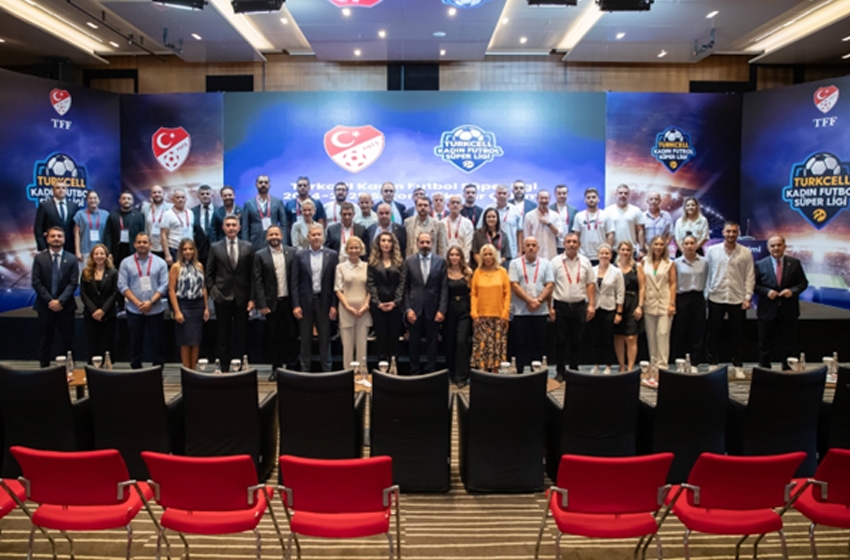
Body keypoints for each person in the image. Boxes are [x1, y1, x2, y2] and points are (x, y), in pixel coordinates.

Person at [705, 221, 754, 379]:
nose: (731, 234)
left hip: (737, 297)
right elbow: (707, 273)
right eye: (728, 231)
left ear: (738, 233)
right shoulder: (712, 251)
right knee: (714, 333)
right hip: (716, 296)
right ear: (723, 233)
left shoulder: (745, 252)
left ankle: (738, 365)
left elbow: (749, 276)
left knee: (737, 334)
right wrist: (706, 294)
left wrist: (747, 297)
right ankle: (713, 362)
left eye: (734, 231)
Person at [206, 215, 255, 372]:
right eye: (228, 225)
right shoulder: (215, 247)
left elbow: (253, 275)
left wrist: (252, 298)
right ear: (223, 228)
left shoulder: (248, 247)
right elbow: (209, 274)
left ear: (239, 228)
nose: (231, 228)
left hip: (242, 296)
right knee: (223, 334)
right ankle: (224, 366)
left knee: (241, 334)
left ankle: (239, 366)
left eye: (234, 225)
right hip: (222, 296)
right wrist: (214, 293)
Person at [754, 235, 808, 370]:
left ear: (784, 246)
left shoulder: (794, 263)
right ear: (768, 248)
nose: (776, 248)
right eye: (772, 246)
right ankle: (764, 368)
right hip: (767, 309)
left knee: (789, 342)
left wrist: (792, 291)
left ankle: (788, 368)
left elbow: (803, 283)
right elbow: (754, 285)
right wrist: (766, 292)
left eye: (779, 245)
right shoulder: (760, 264)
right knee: (764, 342)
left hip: (788, 310)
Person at [253, 225, 297, 379]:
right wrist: (262, 304)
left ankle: (291, 367)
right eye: (271, 234)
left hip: (289, 301)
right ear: (267, 237)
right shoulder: (260, 255)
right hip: (271, 303)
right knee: (273, 337)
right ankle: (276, 368)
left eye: (276, 234)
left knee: (291, 335)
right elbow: (257, 281)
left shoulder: (292, 252)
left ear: (282, 236)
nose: (274, 237)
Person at [118, 233, 168, 369]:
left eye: (145, 242)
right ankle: (136, 372)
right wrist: (137, 303)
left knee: (158, 344)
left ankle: (157, 372)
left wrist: (150, 302)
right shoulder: (126, 263)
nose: (142, 245)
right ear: (134, 244)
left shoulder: (160, 262)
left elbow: (164, 285)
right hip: (134, 310)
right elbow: (122, 285)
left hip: (155, 309)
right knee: (135, 344)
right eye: (139, 242)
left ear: (150, 244)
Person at [292, 224, 338, 372]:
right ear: (308, 237)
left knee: (325, 340)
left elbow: (335, 283)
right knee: (305, 340)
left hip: (324, 303)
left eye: (319, 234)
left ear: (323, 236)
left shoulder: (332, 255)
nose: (316, 237)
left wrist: (334, 305)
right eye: (313, 235)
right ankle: (304, 372)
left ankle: (327, 373)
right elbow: (294, 282)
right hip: (305, 303)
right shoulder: (300, 255)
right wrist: (296, 305)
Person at [550, 233, 596, 379]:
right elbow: (550, 285)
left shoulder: (585, 262)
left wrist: (591, 305)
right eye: (568, 241)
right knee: (560, 341)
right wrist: (550, 307)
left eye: (574, 242)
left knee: (577, 340)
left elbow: (590, 284)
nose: (571, 244)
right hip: (561, 306)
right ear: (564, 244)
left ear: (579, 244)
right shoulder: (555, 262)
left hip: (579, 306)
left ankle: (574, 370)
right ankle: (560, 371)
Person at [31, 227, 79, 367]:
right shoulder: (39, 258)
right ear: (47, 239)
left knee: (68, 340)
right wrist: (50, 301)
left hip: (66, 306)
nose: (56, 238)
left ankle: (70, 368)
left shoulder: (72, 259)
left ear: (64, 239)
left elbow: (73, 282)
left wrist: (60, 301)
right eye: (53, 236)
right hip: (45, 306)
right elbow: (36, 282)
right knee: (45, 340)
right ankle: (44, 368)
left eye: (59, 236)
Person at [403, 232, 448, 375]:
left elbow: (444, 288)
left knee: (432, 343)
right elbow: (405, 288)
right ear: (417, 243)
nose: (425, 245)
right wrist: (408, 309)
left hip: (433, 309)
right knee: (414, 343)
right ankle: (414, 371)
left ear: (432, 243)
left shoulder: (440, 262)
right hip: (414, 309)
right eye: (422, 242)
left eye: (428, 242)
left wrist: (442, 310)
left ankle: (430, 372)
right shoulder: (409, 261)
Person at [509, 237, 555, 375]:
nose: (530, 247)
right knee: (520, 343)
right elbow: (514, 285)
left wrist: (538, 301)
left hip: (540, 311)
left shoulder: (546, 264)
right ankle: (520, 373)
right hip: (520, 311)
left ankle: (536, 375)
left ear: (538, 248)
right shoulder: (515, 263)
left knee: (538, 344)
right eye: (528, 245)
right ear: (523, 247)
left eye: (533, 245)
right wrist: (530, 301)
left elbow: (550, 284)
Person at [168, 238, 209, 370]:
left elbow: (203, 288)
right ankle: (186, 371)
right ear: (180, 251)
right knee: (185, 341)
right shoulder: (176, 267)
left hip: (197, 306)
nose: (188, 251)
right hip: (183, 305)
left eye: (190, 249)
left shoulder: (199, 266)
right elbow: (171, 290)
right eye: (185, 249)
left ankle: (194, 370)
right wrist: (177, 311)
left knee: (196, 340)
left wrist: (206, 308)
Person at [470, 244, 511, 372]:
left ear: (495, 256)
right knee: (482, 350)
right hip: (481, 318)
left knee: (496, 350)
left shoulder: (502, 272)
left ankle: (495, 376)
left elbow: (507, 294)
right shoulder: (477, 273)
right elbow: (474, 294)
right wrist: (474, 314)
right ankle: (483, 377)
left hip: (498, 318)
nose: (488, 257)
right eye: (485, 255)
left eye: (490, 254)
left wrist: (504, 314)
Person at [367, 232, 405, 367]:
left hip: (395, 307)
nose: (386, 243)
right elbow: (371, 284)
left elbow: (402, 284)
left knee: (394, 339)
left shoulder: (400, 262)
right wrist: (378, 303)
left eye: (389, 241)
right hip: (378, 307)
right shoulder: (372, 263)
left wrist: (395, 302)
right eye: (383, 240)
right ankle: (382, 368)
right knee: (381, 339)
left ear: (393, 244)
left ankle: (394, 368)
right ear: (378, 243)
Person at [642, 235, 677, 376]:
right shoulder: (644, 262)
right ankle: (653, 366)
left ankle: (662, 367)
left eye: (661, 244)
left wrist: (672, 303)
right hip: (649, 302)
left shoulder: (669, 263)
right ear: (651, 246)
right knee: (651, 336)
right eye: (656, 244)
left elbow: (673, 284)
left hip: (664, 303)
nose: (658, 247)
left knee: (662, 334)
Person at [335, 237, 371, 370]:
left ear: (361, 250)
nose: (354, 250)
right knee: (347, 348)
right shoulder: (340, 267)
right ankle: (347, 375)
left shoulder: (367, 266)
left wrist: (366, 306)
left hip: (364, 311)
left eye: (357, 248)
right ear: (346, 250)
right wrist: (348, 307)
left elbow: (371, 289)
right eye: (351, 248)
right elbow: (338, 289)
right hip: (346, 311)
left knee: (362, 347)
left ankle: (362, 374)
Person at [80, 244, 118, 364]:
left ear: (106, 256)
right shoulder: (86, 272)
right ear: (92, 256)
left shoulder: (113, 273)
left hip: (108, 314)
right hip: (91, 314)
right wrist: (94, 310)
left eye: (102, 254)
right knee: (92, 343)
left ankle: (107, 368)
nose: (99, 256)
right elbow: (83, 293)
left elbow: (115, 293)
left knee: (107, 343)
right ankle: (92, 368)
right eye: (96, 254)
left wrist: (103, 310)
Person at [672, 235, 708, 365]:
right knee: (680, 331)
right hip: (682, 298)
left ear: (696, 245)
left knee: (697, 331)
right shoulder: (676, 263)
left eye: (692, 243)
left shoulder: (704, 262)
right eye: (686, 243)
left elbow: (708, 279)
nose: (689, 246)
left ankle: (694, 362)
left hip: (698, 298)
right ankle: (680, 361)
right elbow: (673, 283)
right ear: (682, 245)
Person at [589, 244, 624, 374]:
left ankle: (608, 365)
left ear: (611, 255)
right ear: (598, 255)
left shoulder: (616, 272)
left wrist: (619, 312)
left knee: (608, 339)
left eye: (607, 253)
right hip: (594, 308)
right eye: (602, 253)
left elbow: (620, 292)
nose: (604, 256)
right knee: (595, 338)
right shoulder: (591, 270)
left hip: (609, 308)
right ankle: (596, 365)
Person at [443, 245, 472, 387]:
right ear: (448, 257)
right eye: (452, 255)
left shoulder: (468, 272)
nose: (454, 257)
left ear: (461, 257)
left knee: (462, 341)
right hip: (449, 309)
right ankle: (452, 373)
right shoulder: (444, 272)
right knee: (450, 342)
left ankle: (462, 376)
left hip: (464, 310)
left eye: (457, 255)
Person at [614, 240, 645, 373]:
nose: (625, 252)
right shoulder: (613, 267)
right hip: (617, 304)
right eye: (623, 249)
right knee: (619, 337)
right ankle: (621, 366)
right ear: (618, 251)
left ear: (632, 251)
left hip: (633, 302)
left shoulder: (637, 267)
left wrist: (640, 306)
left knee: (631, 337)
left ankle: (631, 368)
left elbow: (642, 287)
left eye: (628, 250)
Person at [479, 184, 523, 261]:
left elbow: (520, 232)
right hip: (490, 252)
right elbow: (480, 229)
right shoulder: (488, 209)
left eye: (504, 193)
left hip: (511, 252)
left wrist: (520, 251)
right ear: (495, 195)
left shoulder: (515, 210)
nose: (502, 195)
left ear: (509, 195)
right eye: (499, 193)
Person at [242, 175, 287, 250]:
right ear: (256, 185)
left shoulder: (278, 202)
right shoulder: (248, 204)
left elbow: (284, 224)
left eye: (266, 182)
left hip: (274, 239)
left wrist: (284, 242)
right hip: (255, 241)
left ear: (269, 185)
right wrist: (245, 244)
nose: (263, 184)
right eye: (261, 182)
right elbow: (245, 227)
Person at [572, 188, 614, 264]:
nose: (591, 199)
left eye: (594, 197)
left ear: (598, 199)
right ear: (585, 200)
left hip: (601, 255)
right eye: (588, 197)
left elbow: (610, 234)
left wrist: (607, 250)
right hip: (583, 255)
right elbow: (576, 235)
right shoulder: (579, 216)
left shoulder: (606, 215)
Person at [34, 180, 78, 252]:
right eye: (58, 188)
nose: (61, 190)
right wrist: (43, 247)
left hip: (70, 247)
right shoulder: (44, 205)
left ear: (67, 191)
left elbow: (77, 228)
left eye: (63, 188)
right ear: (53, 190)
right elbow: (38, 228)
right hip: (51, 246)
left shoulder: (74, 206)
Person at [73, 190, 110, 267]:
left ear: (99, 200)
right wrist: (77, 251)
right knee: (85, 273)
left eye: (95, 198)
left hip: (101, 252)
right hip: (85, 251)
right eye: (90, 198)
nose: (93, 200)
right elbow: (77, 234)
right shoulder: (80, 214)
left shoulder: (106, 215)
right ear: (87, 200)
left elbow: (109, 235)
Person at [107, 190, 145, 265]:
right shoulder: (113, 215)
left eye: (129, 199)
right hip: (117, 252)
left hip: (133, 251)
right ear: (120, 200)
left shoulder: (139, 216)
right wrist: (109, 252)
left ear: (132, 201)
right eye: (124, 198)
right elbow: (108, 235)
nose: (126, 200)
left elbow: (142, 234)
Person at [523, 190, 562, 261]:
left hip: (551, 254)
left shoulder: (555, 215)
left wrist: (549, 224)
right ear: (537, 199)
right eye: (541, 198)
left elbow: (560, 234)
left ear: (549, 199)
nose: (544, 200)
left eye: (546, 198)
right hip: (535, 255)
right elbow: (526, 237)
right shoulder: (529, 216)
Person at [607, 184, 645, 256]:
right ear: (616, 194)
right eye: (620, 193)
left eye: (625, 193)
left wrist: (641, 249)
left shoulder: (636, 210)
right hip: (614, 251)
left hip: (631, 250)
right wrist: (608, 249)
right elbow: (606, 232)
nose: (623, 195)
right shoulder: (608, 211)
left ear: (628, 195)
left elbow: (640, 231)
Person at [161, 188, 194, 266]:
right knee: (176, 272)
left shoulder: (190, 213)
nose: (180, 200)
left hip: (189, 249)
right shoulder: (167, 214)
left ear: (186, 199)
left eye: (182, 197)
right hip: (175, 249)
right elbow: (163, 235)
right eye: (178, 197)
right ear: (173, 199)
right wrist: (167, 254)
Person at [142, 185, 171, 259]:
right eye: (154, 192)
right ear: (151, 195)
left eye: (159, 192)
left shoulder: (171, 207)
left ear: (163, 194)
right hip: (150, 247)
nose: (157, 194)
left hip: (167, 247)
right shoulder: (145, 208)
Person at [442, 194, 474, 261]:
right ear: (448, 205)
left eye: (457, 203)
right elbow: (440, 246)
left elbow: (468, 246)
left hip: (462, 260)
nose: (455, 205)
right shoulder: (441, 223)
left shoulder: (467, 223)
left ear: (461, 206)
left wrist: (464, 262)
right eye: (453, 202)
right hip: (445, 260)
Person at [551, 184, 578, 253]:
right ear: (555, 194)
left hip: (569, 244)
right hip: (554, 244)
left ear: (567, 194)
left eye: (564, 193)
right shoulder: (550, 209)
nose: (562, 195)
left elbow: (575, 229)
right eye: (559, 193)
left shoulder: (573, 210)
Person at [192, 184, 215, 265]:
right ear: (198, 196)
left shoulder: (219, 211)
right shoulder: (192, 212)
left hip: (215, 250)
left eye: (207, 194)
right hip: (199, 251)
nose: (205, 196)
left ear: (212, 195)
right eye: (202, 194)